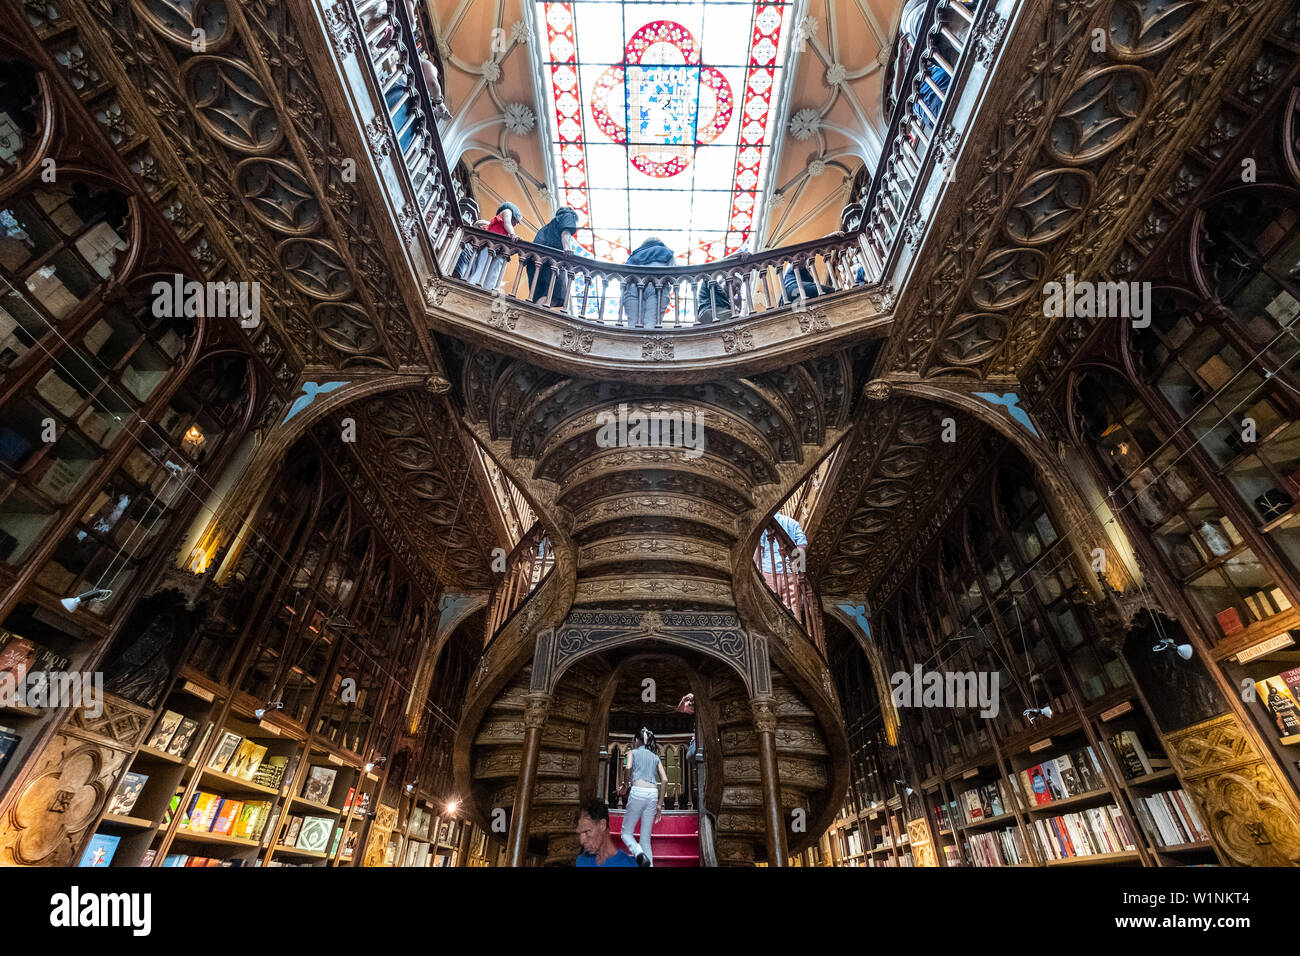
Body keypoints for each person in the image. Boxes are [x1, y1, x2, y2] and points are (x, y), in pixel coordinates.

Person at [621, 726, 667, 867]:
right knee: (645, 839)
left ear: (636, 740)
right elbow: (664, 779)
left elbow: (628, 768)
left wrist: (625, 786)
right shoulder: (655, 757)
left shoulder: (632, 752)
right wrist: (659, 804)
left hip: (638, 792)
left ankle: (639, 854)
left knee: (626, 833)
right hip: (652, 794)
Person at [525, 206, 579, 308]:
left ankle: (533, 315)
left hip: (535, 264)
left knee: (540, 296)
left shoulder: (547, 227)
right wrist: (567, 248)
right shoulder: (568, 216)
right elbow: (565, 234)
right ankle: (535, 316)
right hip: (550, 263)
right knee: (557, 296)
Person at [621, 236, 676, 329]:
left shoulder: (635, 254)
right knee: (651, 323)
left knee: (633, 324)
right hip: (657, 288)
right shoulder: (667, 252)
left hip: (634, 287)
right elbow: (674, 274)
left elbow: (625, 275)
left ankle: (634, 342)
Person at [758, 510, 807, 607]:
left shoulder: (764, 523)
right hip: (790, 571)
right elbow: (802, 545)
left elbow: (760, 548)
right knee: (793, 605)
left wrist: (756, 570)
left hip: (768, 570)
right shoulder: (793, 522)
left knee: (769, 604)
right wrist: (798, 571)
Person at [575, 800, 639, 867]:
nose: (581, 841)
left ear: (602, 825)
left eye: (586, 832)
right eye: (580, 833)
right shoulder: (582, 861)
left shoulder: (628, 865)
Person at [476, 201, 520, 291]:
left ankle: (487, 290)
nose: (516, 224)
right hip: (490, 245)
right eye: (517, 221)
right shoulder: (508, 211)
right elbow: (507, 223)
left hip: (498, 249)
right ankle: (473, 284)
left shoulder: (504, 229)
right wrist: (513, 234)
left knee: (493, 273)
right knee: (481, 267)